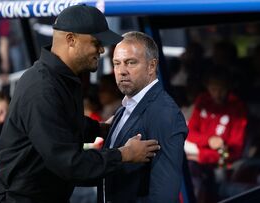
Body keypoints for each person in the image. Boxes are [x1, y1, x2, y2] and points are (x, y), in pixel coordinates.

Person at [0, 5, 160, 203]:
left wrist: (100, 128)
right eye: (96, 42)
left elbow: (62, 122)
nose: (101, 49)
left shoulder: (61, 78)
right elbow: (69, 163)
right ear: (71, 40)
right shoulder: (41, 88)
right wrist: (124, 154)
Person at [102, 31, 188, 202]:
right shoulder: (126, 106)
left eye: (130, 63)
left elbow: (164, 194)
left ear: (151, 66)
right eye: (116, 64)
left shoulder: (164, 113)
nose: (121, 71)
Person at [185, 66, 247, 202]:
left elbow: (235, 151)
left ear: (228, 87)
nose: (217, 94)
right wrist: (208, 140)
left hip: (219, 164)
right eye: (213, 89)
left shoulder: (237, 108)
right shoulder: (203, 101)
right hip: (195, 159)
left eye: (221, 89)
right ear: (207, 87)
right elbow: (189, 133)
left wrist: (201, 156)